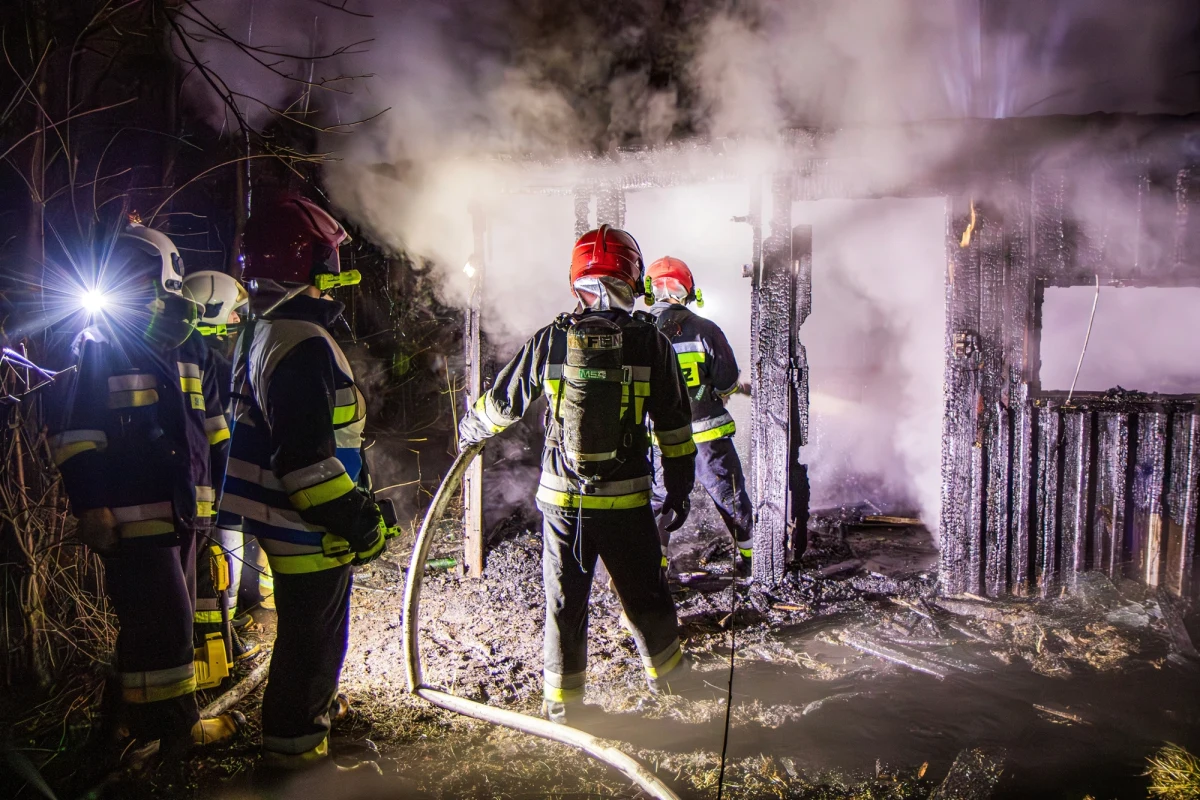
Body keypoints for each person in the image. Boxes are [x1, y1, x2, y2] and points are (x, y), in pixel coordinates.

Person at [458, 225, 699, 725]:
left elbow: (502, 406)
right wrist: (678, 492)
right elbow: (676, 429)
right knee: (644, 593)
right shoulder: (651, 343)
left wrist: (469, 430)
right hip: (628, 499)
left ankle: (564, 705)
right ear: (633, 278)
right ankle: (671, 681)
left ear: (577, 280)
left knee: (566, 601)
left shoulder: (552, 339)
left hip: (563, 503)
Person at [48, 220, 244, 759]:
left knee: (150, 625)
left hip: (186, 514)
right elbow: (74, 439)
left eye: (137, 275)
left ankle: (120, 728)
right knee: (166, 625)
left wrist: (213, 507)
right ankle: (175, 735)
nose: (128, 287)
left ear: (165, 281)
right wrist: (92, 508)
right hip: (130, 519)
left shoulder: (194, 351)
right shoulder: (95, 348)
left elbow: (217, 436)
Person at [220, 194, 386, 771]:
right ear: (308, 265)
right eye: (326, 265)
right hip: (304, 525)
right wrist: (357, 520)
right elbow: (306, 463)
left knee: (302, 635)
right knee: (311, 642)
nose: (332, 280)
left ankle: (307, 718)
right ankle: (297, 762)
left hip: (273, 517)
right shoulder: (303, 344)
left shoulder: (263, 331)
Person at [644, 256, 754, 574]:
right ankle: (752, 560)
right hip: (706, 436)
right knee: (728, 493)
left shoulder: (639, 332)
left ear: (649, 292)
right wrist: (727, 388)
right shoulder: (705, 329)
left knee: (660, 498)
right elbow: (726, 379)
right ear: (689, 292)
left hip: (659, 438)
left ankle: (656, 570)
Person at [180, 270, 262, 665]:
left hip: (204, 481)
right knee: (217, 567)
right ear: (213, 312)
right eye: (232, 315)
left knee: (215, 568)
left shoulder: (198, 353)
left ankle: (221, 642)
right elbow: (215, 430)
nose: (237, 322)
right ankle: (218, 650)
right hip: (209, 483)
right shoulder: (207, 357)